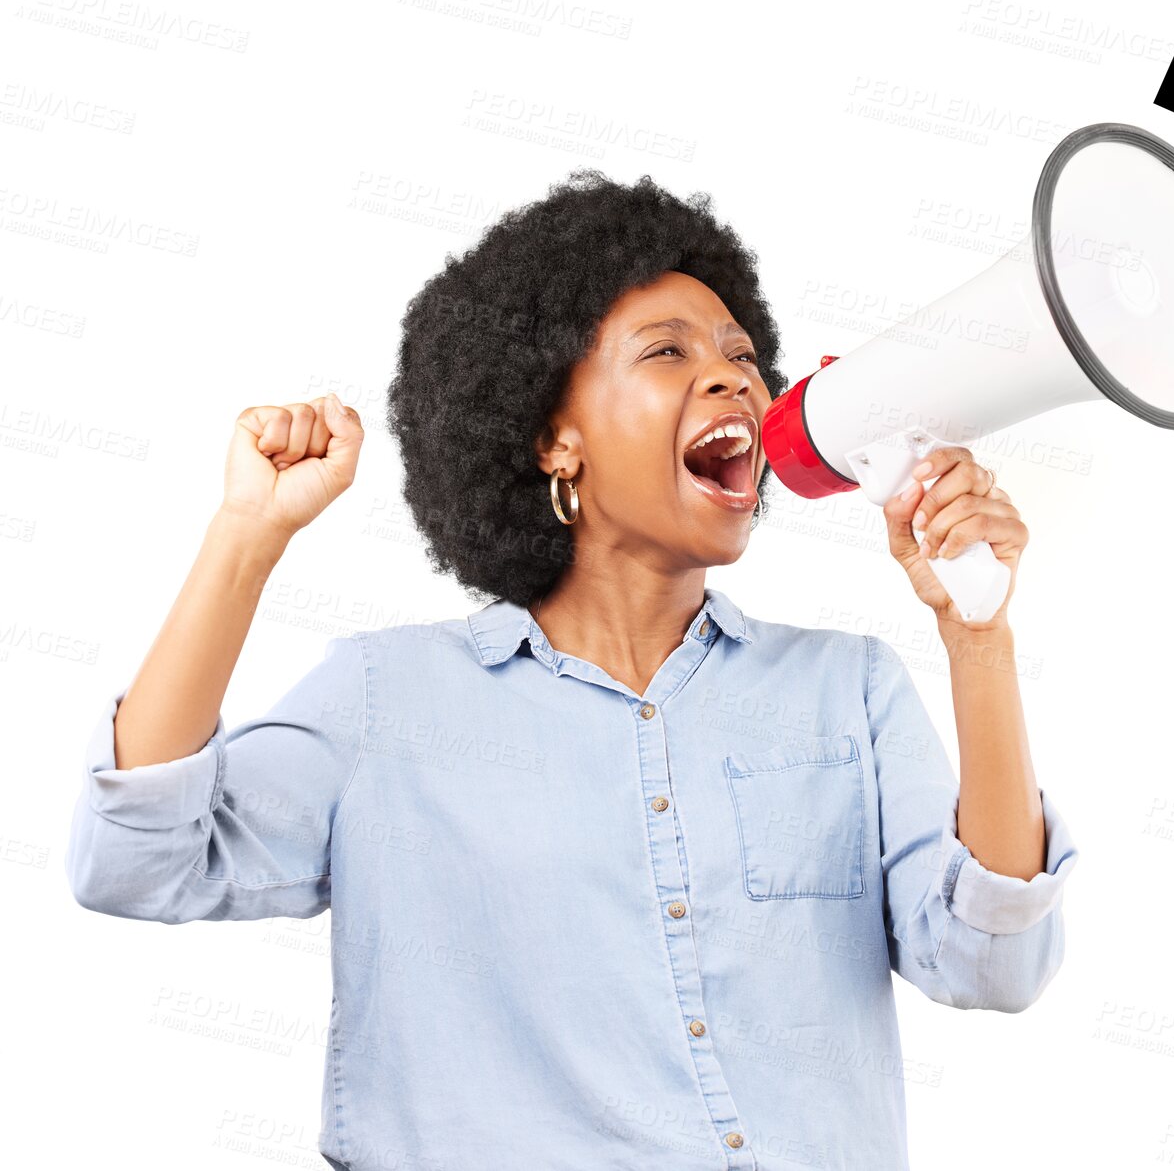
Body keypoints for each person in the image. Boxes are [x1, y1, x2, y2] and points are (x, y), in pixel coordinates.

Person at [65, 170, 1080, 1171]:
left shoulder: (846, 692)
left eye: (739, 354)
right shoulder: (387, 701)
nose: (731, 376)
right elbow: (134, 860)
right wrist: (246, 536)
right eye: (666, 352)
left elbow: (995, 961)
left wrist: (976, 637)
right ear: (555, 438)